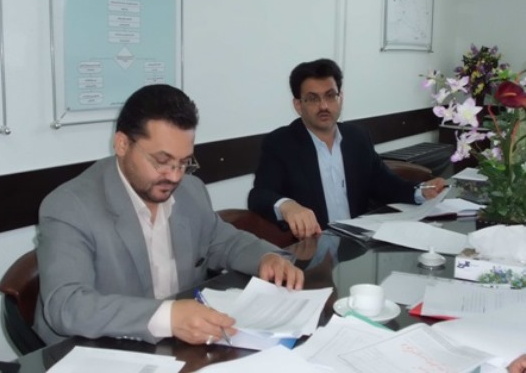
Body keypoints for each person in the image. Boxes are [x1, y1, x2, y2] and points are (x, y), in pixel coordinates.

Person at [35, 84, 304, 346]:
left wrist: (267, 258)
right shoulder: (69, 207)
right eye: (162, 162)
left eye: (184, 162)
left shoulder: (190, 190)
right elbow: (67, 305)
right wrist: (168, 317)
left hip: (180, 346)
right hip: (99, 349)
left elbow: (223, 241)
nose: (175, 176)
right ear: (122, 144)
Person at [248, 58, 446, 240]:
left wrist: (421, 191)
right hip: (315, 247)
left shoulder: (357, 137)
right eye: (313, 98)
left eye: (330, 96)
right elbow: (259, 195)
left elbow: (385, 183)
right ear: (298, 105)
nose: (324, 106)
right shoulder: (281, 143)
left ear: (340, 97)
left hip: (357, 243)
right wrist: (287, 205)